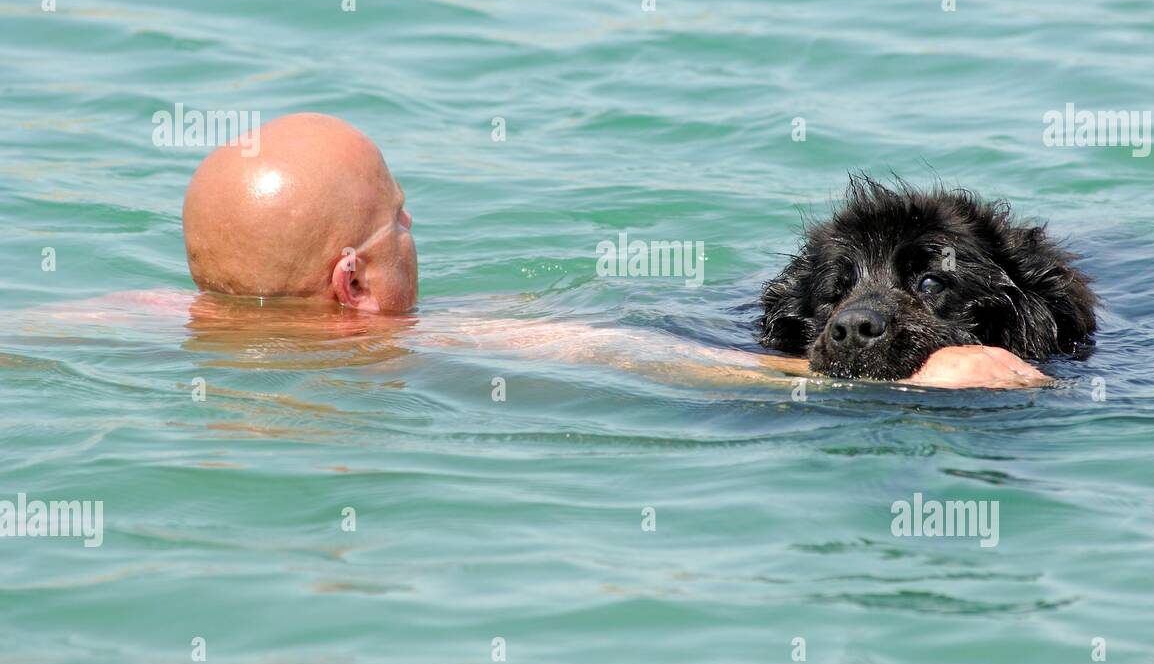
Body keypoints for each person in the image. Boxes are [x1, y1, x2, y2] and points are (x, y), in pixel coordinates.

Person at [50, 113, 1052, 390]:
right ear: (350, 280)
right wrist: (958, 373)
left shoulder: (150, 326)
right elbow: (632, 356)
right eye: (399, 218)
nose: (417, 231)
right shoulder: (429, 346)